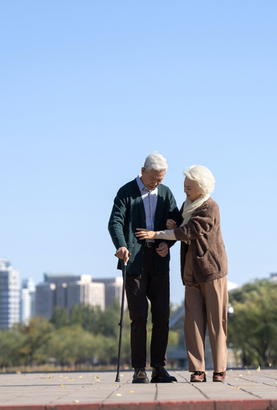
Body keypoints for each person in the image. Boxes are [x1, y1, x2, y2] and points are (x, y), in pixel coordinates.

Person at [136, 165, 228, 383]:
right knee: (192, 322)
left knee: (216, 322)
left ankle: (219, 370)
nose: (185, 190)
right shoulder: (188, 205)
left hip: (212, 270)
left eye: (189, 187)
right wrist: (173, 222)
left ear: (201, 187)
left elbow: (189, 231)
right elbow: (179, 221)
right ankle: (198, 370)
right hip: (191, 272)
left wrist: (157, 234)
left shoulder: (209, 207)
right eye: (184, 186)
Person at [108, 152, 181, 384]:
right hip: (135, 261)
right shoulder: (126, 192)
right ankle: (139, 369)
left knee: (162, 316)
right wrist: (121, 245)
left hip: (159, 261)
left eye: (160, 179)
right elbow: (115, 221)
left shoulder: (166, 193)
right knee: (138, 317)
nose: (156, 183)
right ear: (142, 171)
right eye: (153, 179)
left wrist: (168, 242)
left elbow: (175, 222)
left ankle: (159, 367)